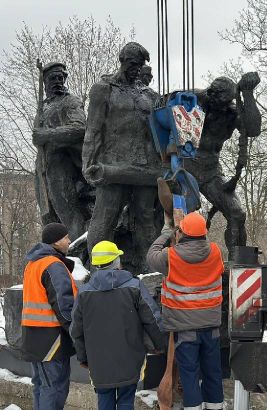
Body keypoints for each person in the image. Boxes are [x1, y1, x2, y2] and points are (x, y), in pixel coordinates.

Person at [82, 42, 162, 274]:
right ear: (122, 61)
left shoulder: (149, 95)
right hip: (113, 166)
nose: (136, 69)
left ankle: (151, 272)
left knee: (146, 220)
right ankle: (98, 271)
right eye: (133, 64)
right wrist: (88, 161)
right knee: (104, 219)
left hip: (145, 168)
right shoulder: (103, 89)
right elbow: (93, 129)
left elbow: (161, 130)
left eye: (140, 66)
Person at [70, 240, 166, 410]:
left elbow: (76, 330)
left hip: (99, 362)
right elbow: (152, 318)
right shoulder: (134, 287)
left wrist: (83, 357)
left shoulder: (84, 293)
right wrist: (160, 345)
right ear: (116, 261)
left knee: (104, 400)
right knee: (126, 400)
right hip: (130, 358)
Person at [147, 212, 225, 410]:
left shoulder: (170, 256)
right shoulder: (216, 251)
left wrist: (166, 233)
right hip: (211, 325)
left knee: (189, 372)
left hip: (185, 328)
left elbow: (151, 255)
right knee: (213, 371)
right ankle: (215, 407)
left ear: (181, 232)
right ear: (205, 233)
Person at [185, 73, 261, 258]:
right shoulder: (192, 99)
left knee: (237, 214)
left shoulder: (230, 111)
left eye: (229, 101)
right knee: (181, 220)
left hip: (211, 171)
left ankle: (237, 263)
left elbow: (253, 129)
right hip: (184, 168)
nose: (225, 106)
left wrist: (248, 94)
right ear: (212, 94)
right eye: (222, 101)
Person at [21, 223, 77, 410]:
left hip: (34, 337)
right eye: (66, 237)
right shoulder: (53, 265)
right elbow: (64, 305)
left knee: (41, 386)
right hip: (52, 339)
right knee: (54, 387)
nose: (69, 241)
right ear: (56, 241)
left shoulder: (33, 263)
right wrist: (76, 332)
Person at [32, 62, 90, 239]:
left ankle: (78, 254)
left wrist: (47, 134)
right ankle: (55, 254)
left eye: (60, 78)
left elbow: (80, 128)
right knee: (48, 217)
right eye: (52, 78)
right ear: (45, 82)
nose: (57, 81)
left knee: (68, 213)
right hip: (43, 168)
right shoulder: (43, 107)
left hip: (63, 164)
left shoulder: (70, 101)